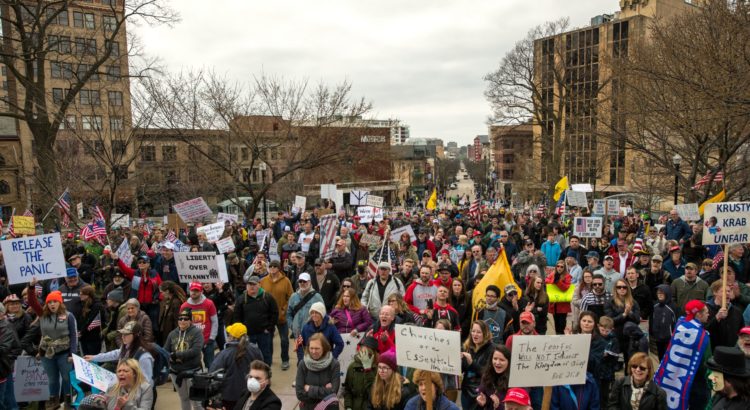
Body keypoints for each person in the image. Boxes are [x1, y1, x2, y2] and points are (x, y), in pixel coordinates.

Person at [28, 281, 76, 410]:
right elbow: (32, 302)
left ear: (60, 302)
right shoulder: (42, 315)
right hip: (46, 353)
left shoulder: (68, 316)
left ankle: (68, 400)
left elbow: (73, 336)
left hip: (64, 352)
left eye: (54, 302)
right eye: (49, 302)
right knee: (52, 379)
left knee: (66, 378)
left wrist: (73, 354)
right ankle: (53, 400)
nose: (52, 304)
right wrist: (31, 287)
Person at [208, 323, 263, 410]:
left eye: (229, 335)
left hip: (230, 397)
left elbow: (212, 373)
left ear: (232, 337)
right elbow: (262, 369)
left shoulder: (224, 354)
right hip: (251, 393)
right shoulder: (255, 350)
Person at [86, 322, 155, 385]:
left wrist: (131, 395)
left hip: (138, 395)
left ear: (136, 335)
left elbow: (146, 382)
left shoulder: (144, 357)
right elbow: (113, 354)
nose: (122, 337)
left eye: (126, 334)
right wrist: (94, 357)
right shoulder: (126, 347)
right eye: (122, 334)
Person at [233, 275, 278, 366]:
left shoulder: (267, 297)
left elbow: (274, 313)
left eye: (254, 284)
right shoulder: (241, 299)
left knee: (266, 354)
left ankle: (266, 374)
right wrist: (241, 332)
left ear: (259, 285)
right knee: (249, 355)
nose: (251, 287)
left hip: (264, 333)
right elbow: (237, 317)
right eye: (249, 284)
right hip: (248, 334)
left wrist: (269, 328)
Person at [164, 307, 204, 410]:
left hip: (192, 371)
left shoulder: (197, 332)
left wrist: (176, 355)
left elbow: (195, 350)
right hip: (176, 372)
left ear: (190, 320)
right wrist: (170, 357)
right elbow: (165, 350)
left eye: (185, 319)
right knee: (183, 398)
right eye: (180, 318)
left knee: (196, 402)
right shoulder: (172, 334)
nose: (182, 321)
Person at [259, 259, 293, 370]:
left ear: (279, 268)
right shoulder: (263, 281)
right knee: (268, 340)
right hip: (267, 317)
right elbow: (259, 296)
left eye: (275, 267)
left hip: (281, 317)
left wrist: (284, 310)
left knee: (284, 340)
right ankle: (268, 360)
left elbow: (291, 297)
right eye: (271, 267)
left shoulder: (286, 281)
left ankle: (285, 360)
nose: (272, 269)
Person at [295, 333, 341, 408]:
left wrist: (309, 389)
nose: (313, 351)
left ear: (324, 348)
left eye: (317, 348)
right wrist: (325, 392)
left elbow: (333, 393)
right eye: (311, 348)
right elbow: (299, 394)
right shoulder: (302, 364)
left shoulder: (334, 364)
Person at [181, 282, 219, 366]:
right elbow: (182, 324)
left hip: (207, 340)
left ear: (201, 291)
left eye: (196, 291)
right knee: (193, 364)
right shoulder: (184, 306)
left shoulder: (209, 303)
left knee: (210, 363)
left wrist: (212, 337)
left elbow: (215, 321)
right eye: (192, 290)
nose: (193, 292)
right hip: (192, 341)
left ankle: (211, 378)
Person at [605, 278, 640, 365]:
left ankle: (628, 377)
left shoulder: (633, 302)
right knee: (613, 361)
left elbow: (637, 320)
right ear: (615, 289)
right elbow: (610, 321)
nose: (622, 289)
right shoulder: (610, 302)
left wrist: (630, 312)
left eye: (624, 287)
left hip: (630, 337)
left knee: (630, 362)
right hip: (616, 335)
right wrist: (624, 314)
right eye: (619, 287)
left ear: (628, 288)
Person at [461, 320, 495, 410]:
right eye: (473, 331)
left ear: (485, 333)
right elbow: (463, 369)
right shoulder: (468, 347)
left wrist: (472, 363)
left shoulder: (491, 349)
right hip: (466, 391)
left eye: (479, 332)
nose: (475, 334)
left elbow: (487, 373)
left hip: (480, 392)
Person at [706, 280, 744, 352]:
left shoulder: (737, 311)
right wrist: (717, 318)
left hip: (731, 352)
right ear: (715, 292)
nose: (727, 294)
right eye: (723, 291)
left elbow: (741, 332)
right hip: (713, 353)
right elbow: (704, 331)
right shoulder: (706, 309)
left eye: (729, 291)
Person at [287, 272, 324, 345]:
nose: (302, 283)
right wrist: (292, 325)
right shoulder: (293, 296)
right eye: (300, 281)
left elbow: (323, 315)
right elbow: (288, 314)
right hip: (297, 334)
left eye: (305, 281)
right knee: (300, 355)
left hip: (313, 334)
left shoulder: (317, 297)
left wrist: (317, 328)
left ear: (309, 282)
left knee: (312, 354)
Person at [343, 336, 379, 410]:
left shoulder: (378, 369)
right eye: (362, 352)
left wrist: (368, 369)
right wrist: (348, 406)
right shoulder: (352, 367)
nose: (364, 356)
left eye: (367, 353)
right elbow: (348, 390)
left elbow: (375, 393)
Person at [476, 345, 511, 409]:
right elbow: (480, 391)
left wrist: (500, 405)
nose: (497, 363)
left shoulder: (513, 381)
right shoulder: (487, 374)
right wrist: (482, 399)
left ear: (508, 362)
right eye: (495, 359)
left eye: (502, 360)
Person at [0, 302, 20, 410]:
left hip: (4, 364)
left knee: (6, 399)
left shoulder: (6, 326)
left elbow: (15, 347)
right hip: (4, 365)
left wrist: (7, 359)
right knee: (8, 398)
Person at [649, 284, 677, 361]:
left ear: (667, 293)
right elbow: (651, 319)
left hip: (669, 338)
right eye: (658, 293)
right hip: (658, 338)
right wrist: (652, 331)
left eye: (662, 293)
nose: (660, 295)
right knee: (660, 357)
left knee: (669, 358)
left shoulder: (673, 306)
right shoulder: (655, 305)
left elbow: (676, 321)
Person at [546, 261, 572, 335]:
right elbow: (546, 281)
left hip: (563, 305)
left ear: (564, 268)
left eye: (561, 266)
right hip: (554, 304)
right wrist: (554, 281)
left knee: (562, 324)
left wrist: (558, 282)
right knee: (556, 324)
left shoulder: (567, 276)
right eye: (558, 266)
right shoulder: (552, 274)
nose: (559, 268)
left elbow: (566, 288)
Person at [158, 281, 186, 346]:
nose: (161, 294)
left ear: (167, 291)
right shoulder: (168, 301)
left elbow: (177, 321)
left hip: (173, 336)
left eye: (162, 292)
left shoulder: (176, 303)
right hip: (169, 334)